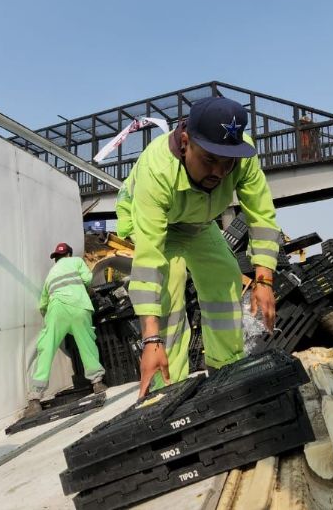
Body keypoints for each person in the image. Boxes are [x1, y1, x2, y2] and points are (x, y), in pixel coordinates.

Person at [115, 96, 281, 398]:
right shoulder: (157, 171)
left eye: (226, 163)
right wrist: (151, 339)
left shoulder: (241, 155)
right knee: (171, 282)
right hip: (156, 222)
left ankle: (226, 367)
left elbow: (261, 214)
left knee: (225, 274)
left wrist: (265, 279)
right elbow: (150, 260)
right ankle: (169, 386)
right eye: (208, 160)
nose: (218, 172)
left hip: (197, 222)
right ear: (185, 141)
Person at [23, 243, 107, 418]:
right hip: (79, 307)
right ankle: (97, 383)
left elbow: (43, 305)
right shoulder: (76, 261)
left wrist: (52, 322)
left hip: (57, 309)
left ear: (56, 258)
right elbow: (88, 279)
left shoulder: (50, 275)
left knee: (46, 348)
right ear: (69, 254)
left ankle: (35, 399)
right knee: (86, 343)